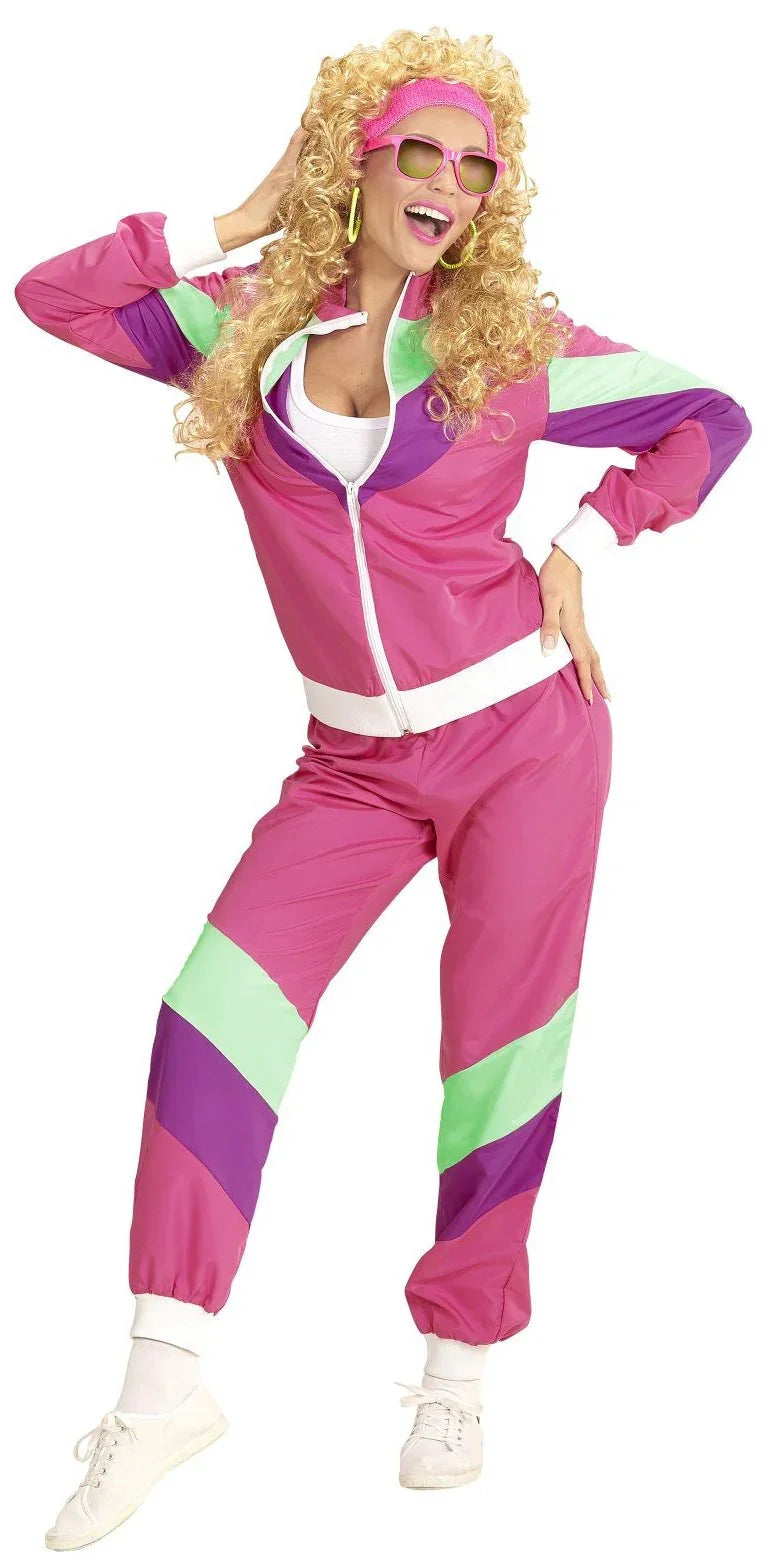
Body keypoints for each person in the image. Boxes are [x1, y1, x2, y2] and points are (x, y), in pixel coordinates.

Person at [15, 25, 751, 1550]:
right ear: (353, 157)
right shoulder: (237, 326)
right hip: (347, 761)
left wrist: (587, 538)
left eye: (478, 167)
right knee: (211, 1013)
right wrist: (241, 212)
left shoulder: (504, 339)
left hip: (524, 736)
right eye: (422, 151)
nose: (451, 184)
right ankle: (161, 1390)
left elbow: (710, 414)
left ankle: (457, 1367)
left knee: (496, 1047)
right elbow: (49, 294)